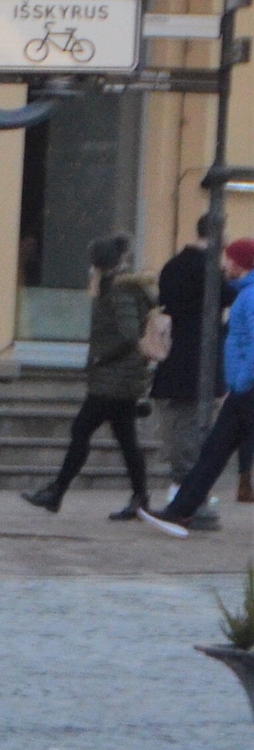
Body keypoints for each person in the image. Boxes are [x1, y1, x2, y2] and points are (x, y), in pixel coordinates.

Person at [21, 232, 156, 521]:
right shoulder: (118, 285)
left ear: (99, 264)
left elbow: (129, 333)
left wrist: (101, 357)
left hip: (115, 379)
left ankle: (56, 493)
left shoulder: (119, 289)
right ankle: (139, 497)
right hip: (120, 378)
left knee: (82, 430)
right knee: (125, 439)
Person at [145, 239, 254, 537]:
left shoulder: (250, 297)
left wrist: (241, 383)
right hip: (241, 390)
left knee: (214, 453)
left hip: (247, 390)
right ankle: (180, 511)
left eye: (230, 259)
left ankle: (180, 511)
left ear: (241, 264)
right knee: (213, 452)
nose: (225, 264)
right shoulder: (244, 294)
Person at [154, 217, 221, 527]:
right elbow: (223, 300)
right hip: (200, 360)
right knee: (196, 428)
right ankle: (193, 500)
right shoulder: (208, 269)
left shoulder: (172, 266)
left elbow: (166, 303)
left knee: (180, 424)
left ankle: (181, 491)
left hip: (174, 358)